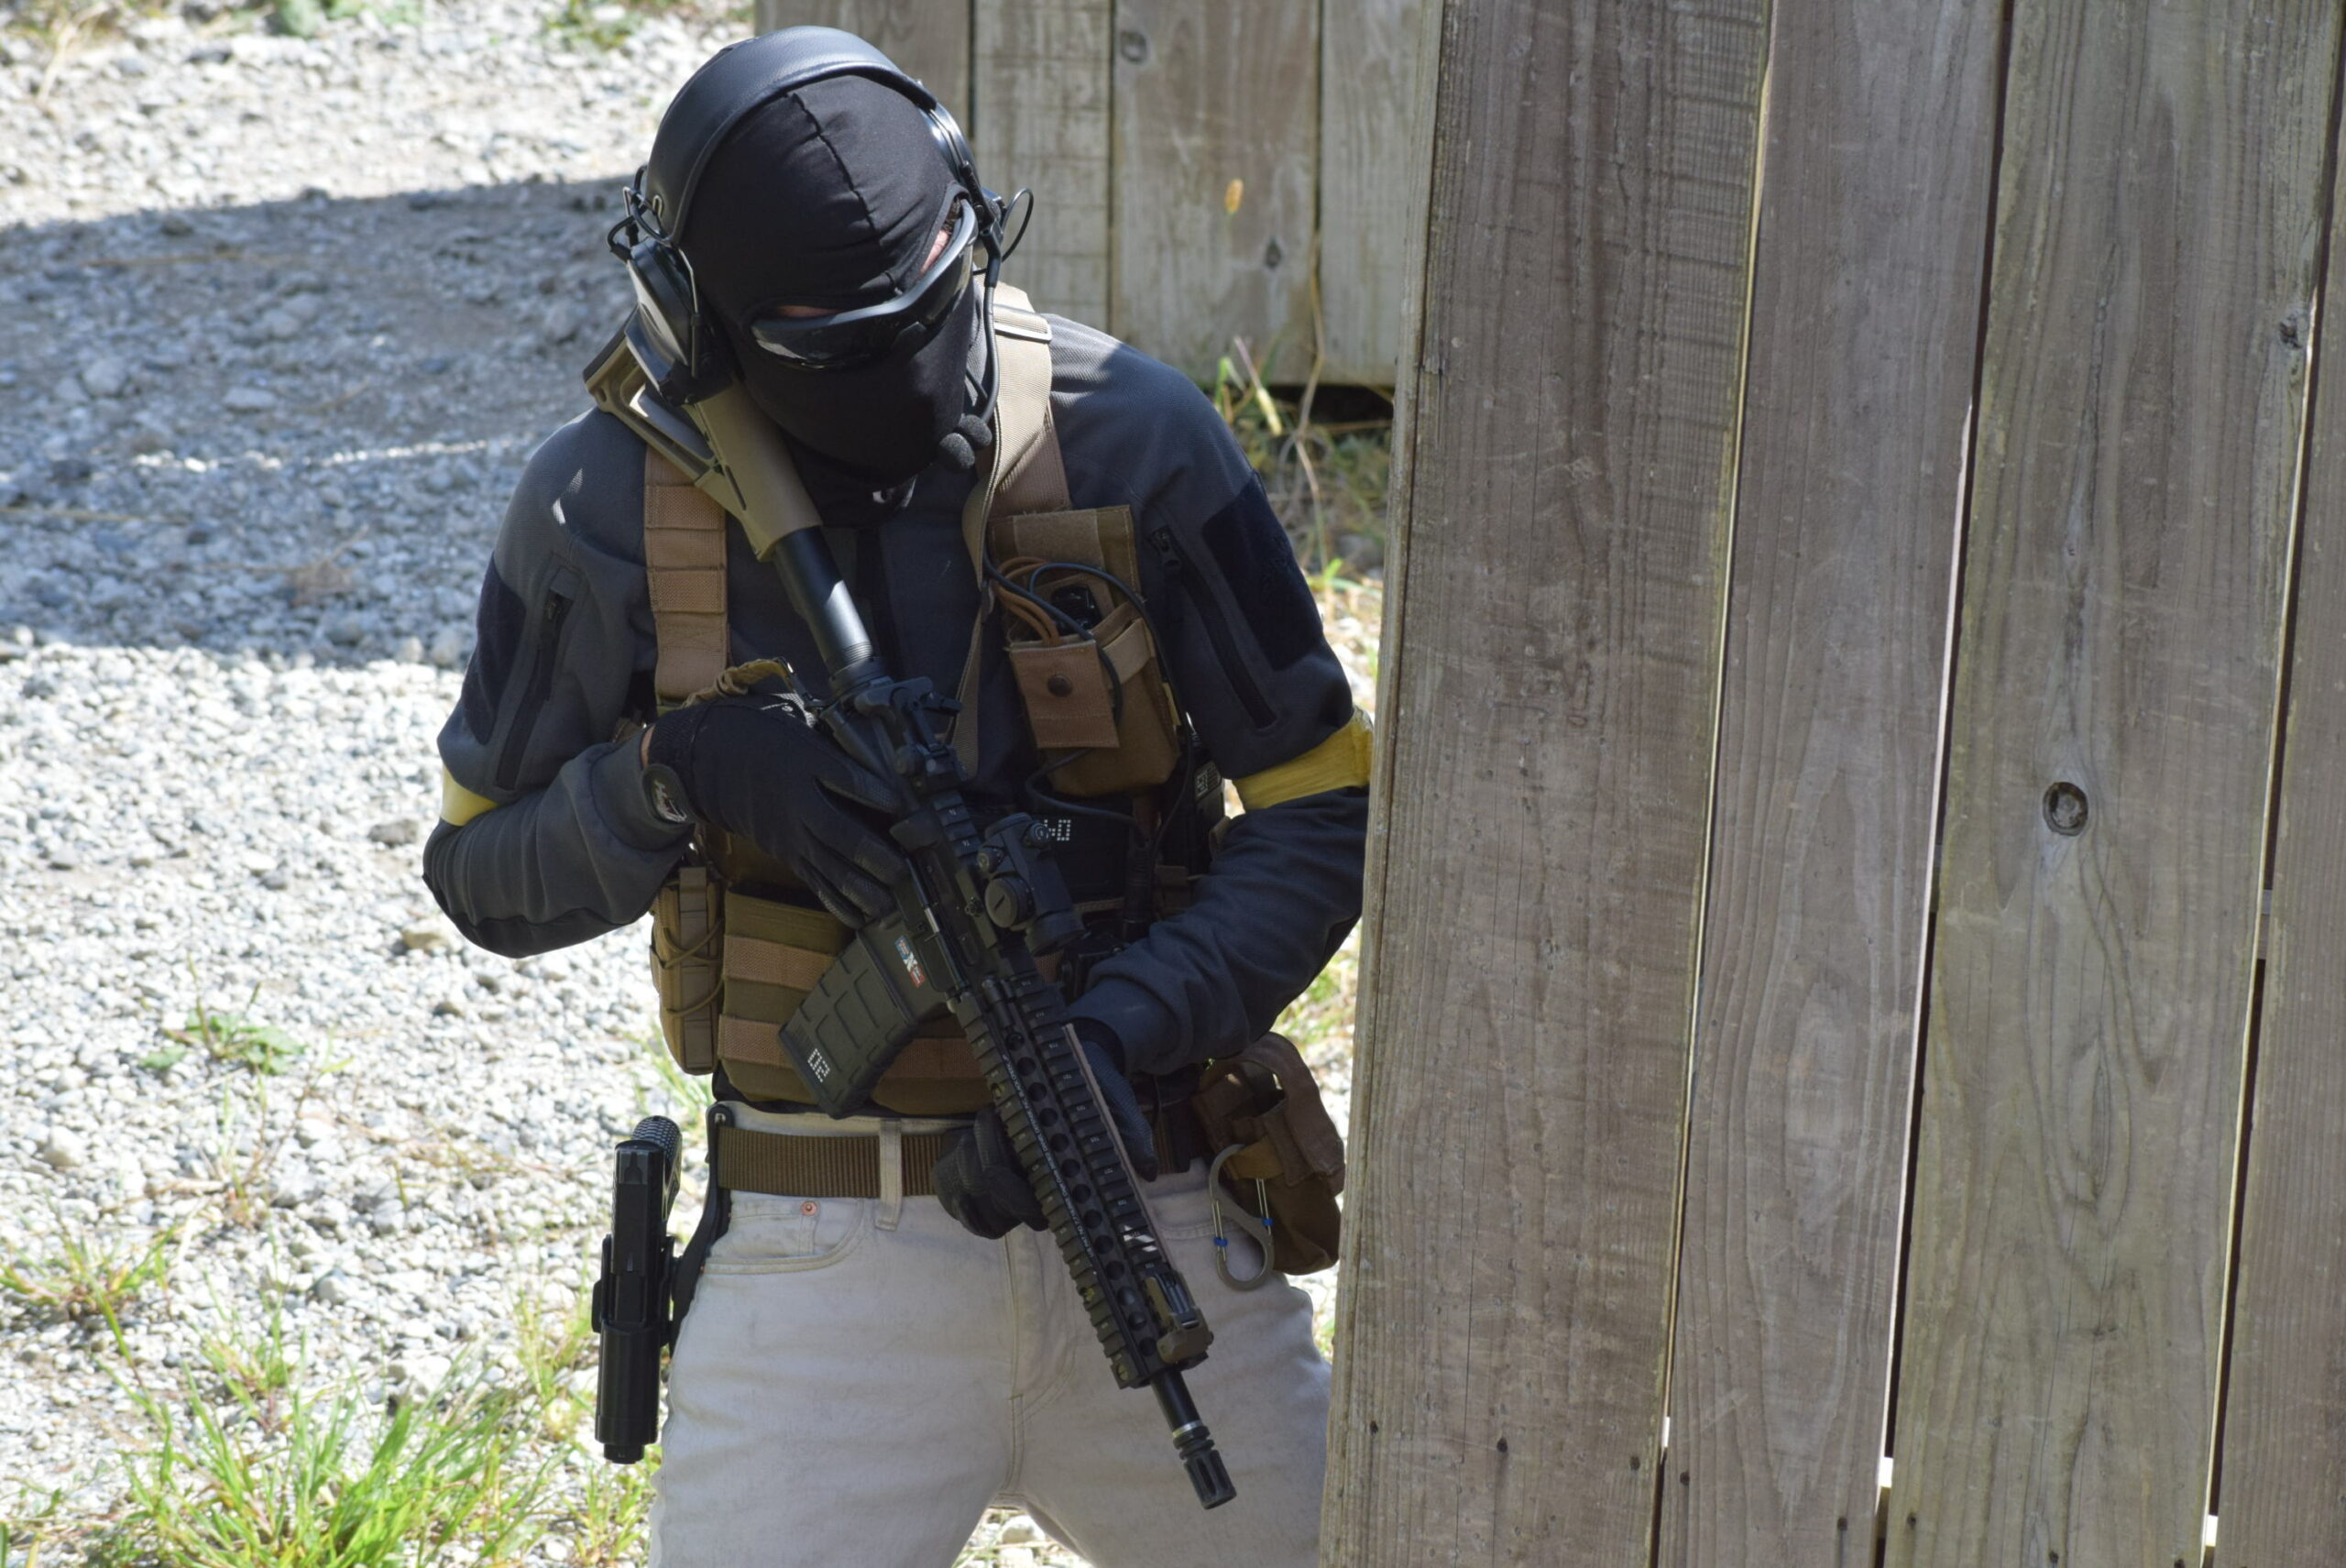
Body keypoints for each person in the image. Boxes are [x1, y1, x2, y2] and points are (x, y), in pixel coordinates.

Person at [422, 26, 1367, 1568]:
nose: (899, 378)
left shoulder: (1131, 436)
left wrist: (1125, 1028)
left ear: (976, 227)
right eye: (827, 346)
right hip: (822, 1240)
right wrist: (680, 773)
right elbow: (479, 876)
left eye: (926, 314)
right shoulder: (606, 501)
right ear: (695, 314)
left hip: (1150, 1190)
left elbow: (1324, 809)